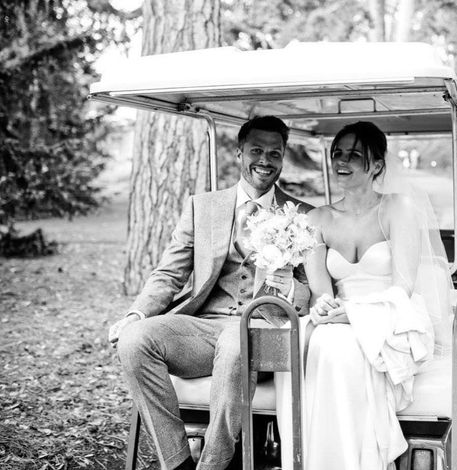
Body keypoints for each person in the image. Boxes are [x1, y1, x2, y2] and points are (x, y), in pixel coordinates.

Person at [108, 115, 313, 470]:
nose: (265, 160)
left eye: (275, 153)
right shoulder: (201, 207)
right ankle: (177, 462)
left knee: (237, 342)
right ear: (238, 152)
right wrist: (136, 314)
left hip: (263, 332)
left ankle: (214, 463)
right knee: (134, 341)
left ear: (283, 158)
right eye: (256, 150)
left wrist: (290, 286)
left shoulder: (301, 215)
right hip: (203, 329)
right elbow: (169, 273)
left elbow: (311, 288)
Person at [275, 121, 453, 470]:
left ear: (377, 165)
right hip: (338, 316)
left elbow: (402, 288)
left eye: (354, 155)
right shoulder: (317, 218)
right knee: (300, 344)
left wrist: (352, 315)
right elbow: (321, 291)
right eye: (337, 153)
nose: (342, 161)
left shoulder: (397, 208)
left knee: (337, 347)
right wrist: (325, 305)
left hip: (390, 315)